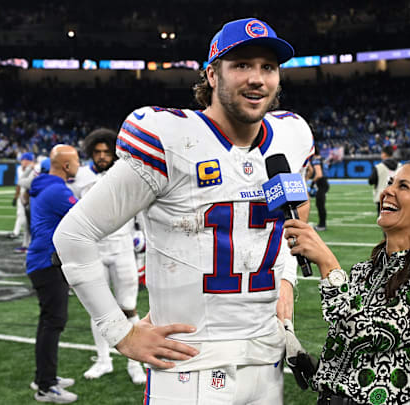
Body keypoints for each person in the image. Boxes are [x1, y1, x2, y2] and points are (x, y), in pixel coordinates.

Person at [53, 17, 313, 404]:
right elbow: (73, 235)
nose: (257, 78)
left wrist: (287, 282)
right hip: (190, 365)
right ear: (212, 74)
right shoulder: (171, 137)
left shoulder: (292, 135)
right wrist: (118, 331)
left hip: (266, 356)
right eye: (241, 65)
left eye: (267, 67)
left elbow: (293, 222)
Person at [284, 161, 410, 405]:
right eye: (390, 183)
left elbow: (370, 334)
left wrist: (328, 264)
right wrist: (320, 370)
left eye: (403, 186)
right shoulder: (363, 270)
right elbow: (349, 343)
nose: (388, 191)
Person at [67, 128, 146, 384]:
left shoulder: (126, 172)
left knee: (128, 307)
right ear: (91, 152)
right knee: (98, 309)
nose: (102, 156)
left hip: (123, 246)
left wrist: (140, 233)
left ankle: (135, 364)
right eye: (97, 152)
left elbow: (142, 205)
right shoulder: (80, 177)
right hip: (95, 249)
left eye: (106, 151)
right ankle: (103, 360)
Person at [26, 145, 80, 404]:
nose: (80, 164)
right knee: (53, 322)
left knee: (48, 322)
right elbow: (86, 218)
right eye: (77, 160)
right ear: (66, 166)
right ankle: (46, 386)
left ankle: (44, 377)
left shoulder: (43, 185)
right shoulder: (58, 190)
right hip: (48, 262)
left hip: (41, 259)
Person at [11, 152, 35, 253]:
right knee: (23, 219)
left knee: (29, 222)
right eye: (22, 160)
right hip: (23, 197)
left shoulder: (35, 169)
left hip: (32, 196)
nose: (22, 162)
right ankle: (25, 244)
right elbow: (19, 183)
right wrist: (16, 196)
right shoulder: (19, 169)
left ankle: (29, 244)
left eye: (25, 160)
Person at [368, 145, 401, 215]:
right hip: (397, 197)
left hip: (382, 197)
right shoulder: (400, 166)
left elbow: (371, 181)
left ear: (384, 154)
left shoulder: (378, 167)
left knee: (383, 222)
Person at [307, 148, 329, 231]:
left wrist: (312, 182)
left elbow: (319, 174)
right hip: (325, 182)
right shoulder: (323, 159)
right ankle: (322, 224)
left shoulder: (316, 160)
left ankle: (322, 225)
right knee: (320, 204)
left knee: (320, 205)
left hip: (321, 183)